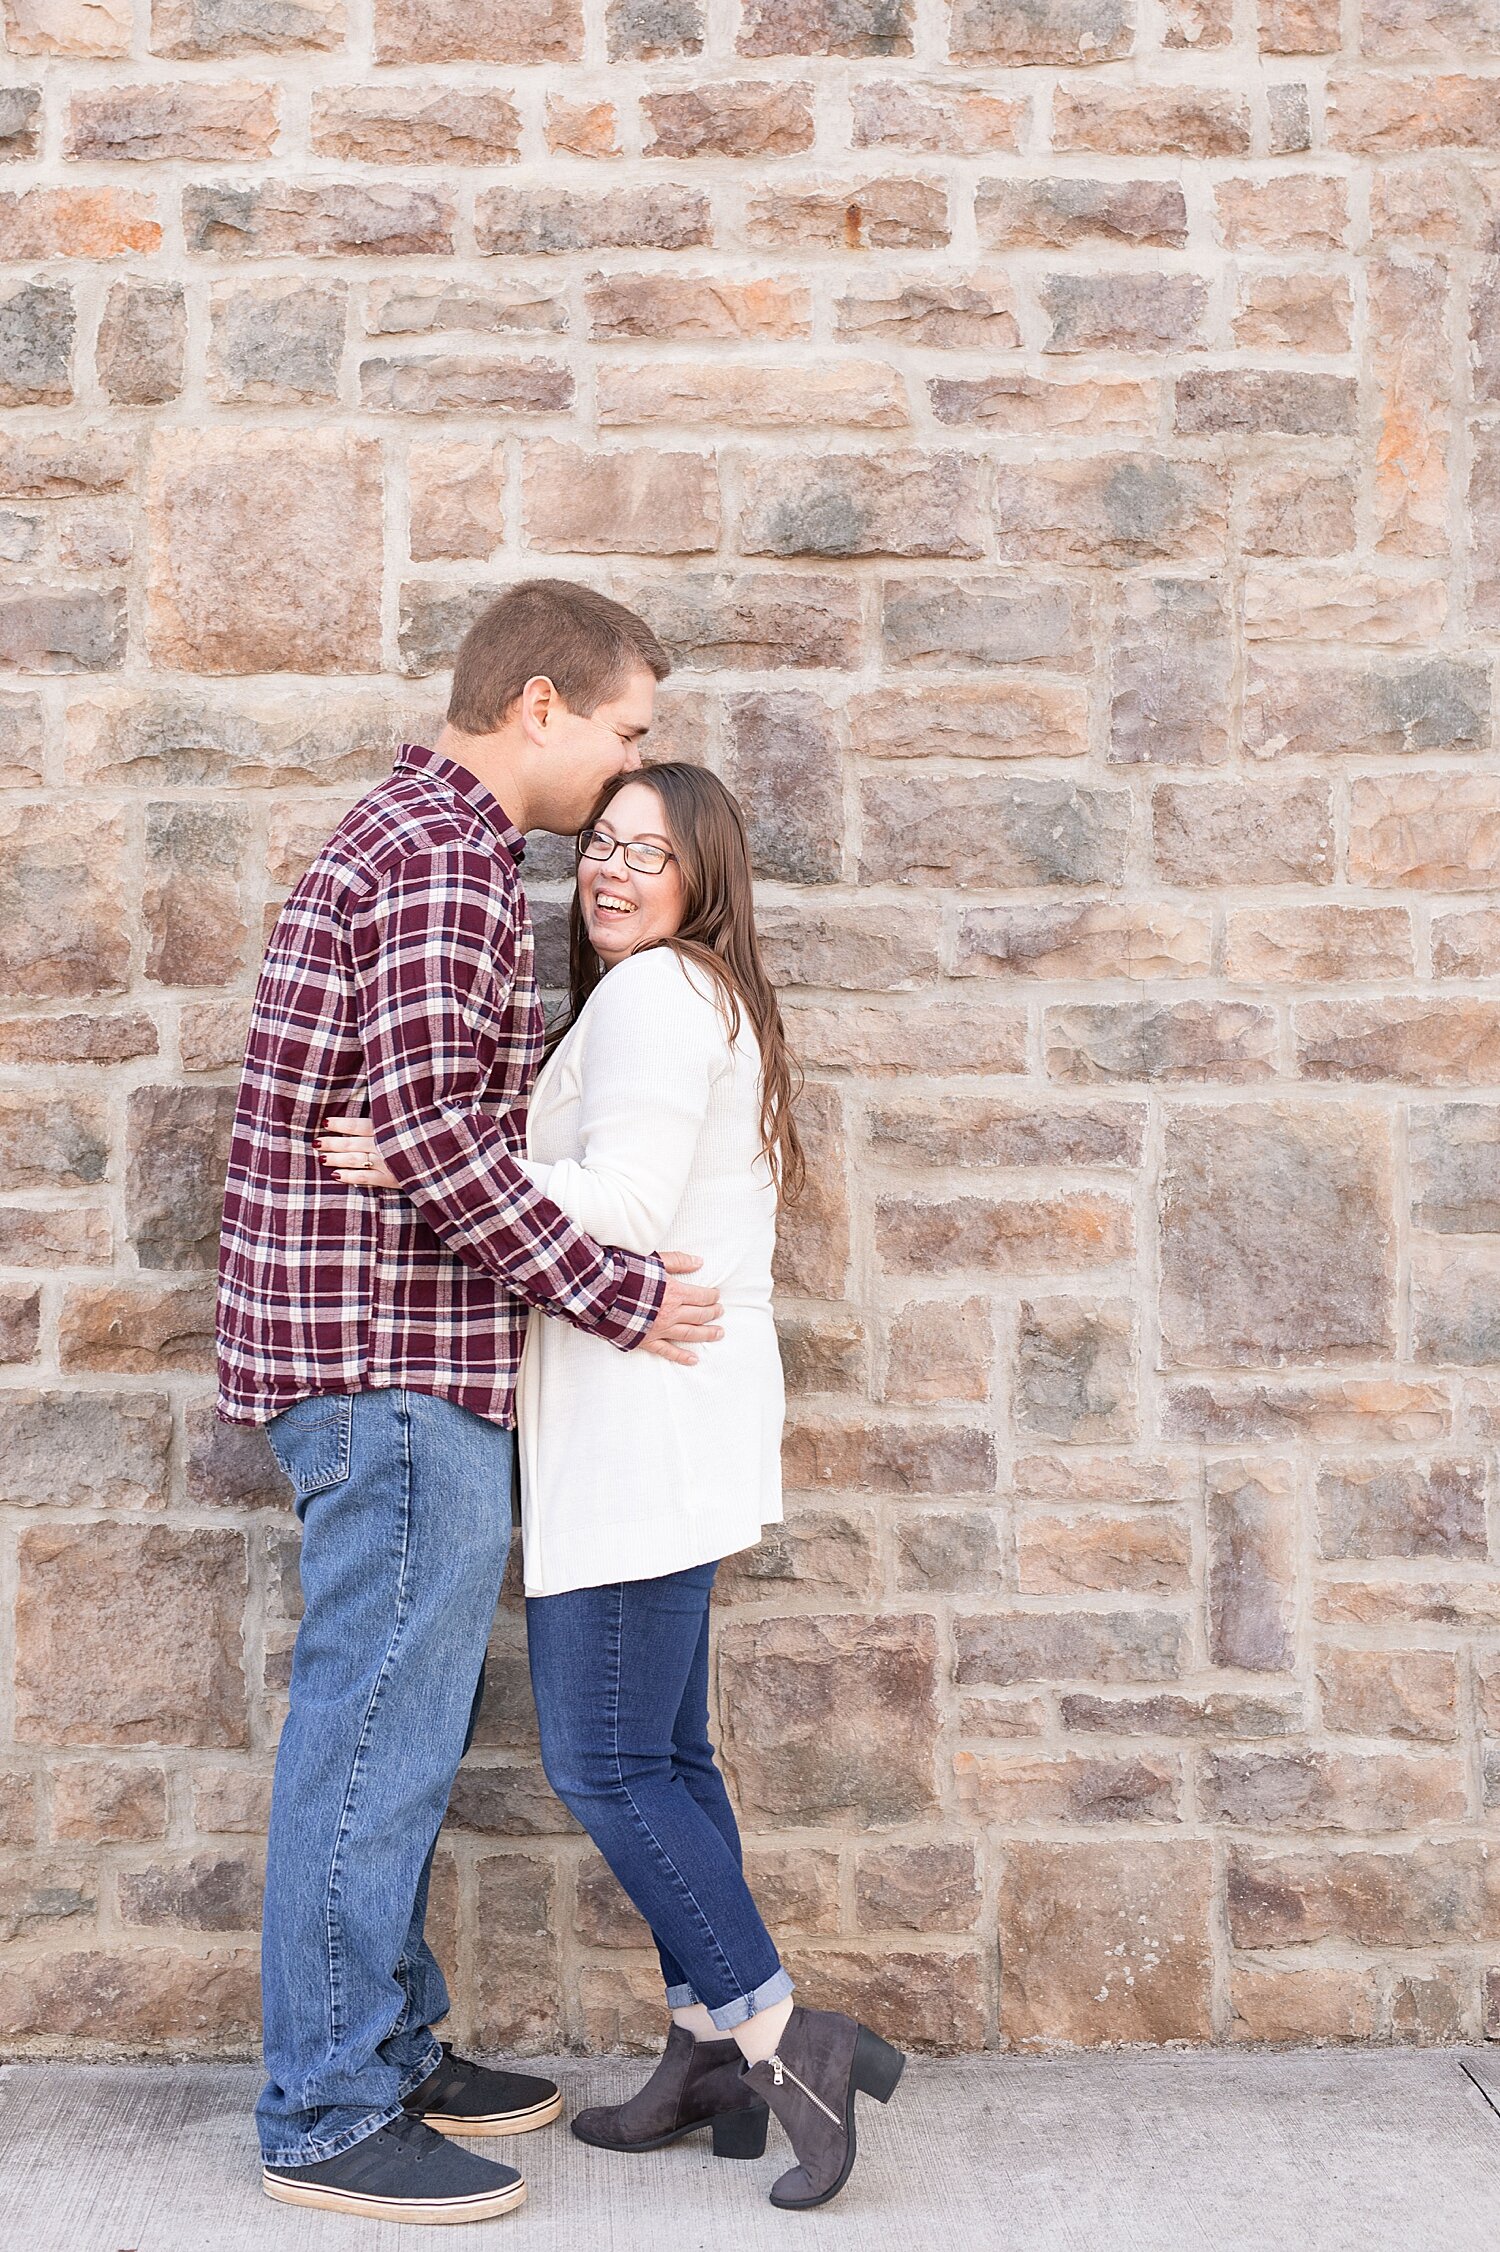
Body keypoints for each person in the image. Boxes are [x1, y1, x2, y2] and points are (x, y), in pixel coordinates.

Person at [321, 762, 905, 2212]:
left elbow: (630, 1208)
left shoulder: (654, 996)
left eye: (651, 850)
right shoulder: (680, 996)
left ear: (708, 876)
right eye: (602, 844)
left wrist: (420, 1161)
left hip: (643, 1428)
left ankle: (781, 2032)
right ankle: (706, 2049)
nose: (613, 869)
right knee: (671, 1755)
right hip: (672, 1422)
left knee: (603, 1759)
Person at [215, 580, 727, 2226]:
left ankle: (394, 2041)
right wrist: (627, 1296)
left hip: (387, 1357)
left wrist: (448, 1148)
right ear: (539, 708)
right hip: (389, 1365)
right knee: (373, 1732)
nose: (628, 763)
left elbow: (425, 1129)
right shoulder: (444, 857)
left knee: (400, 1735)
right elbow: (437, 1139)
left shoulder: (412, 838)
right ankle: (327, 2106)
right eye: (624, 730)